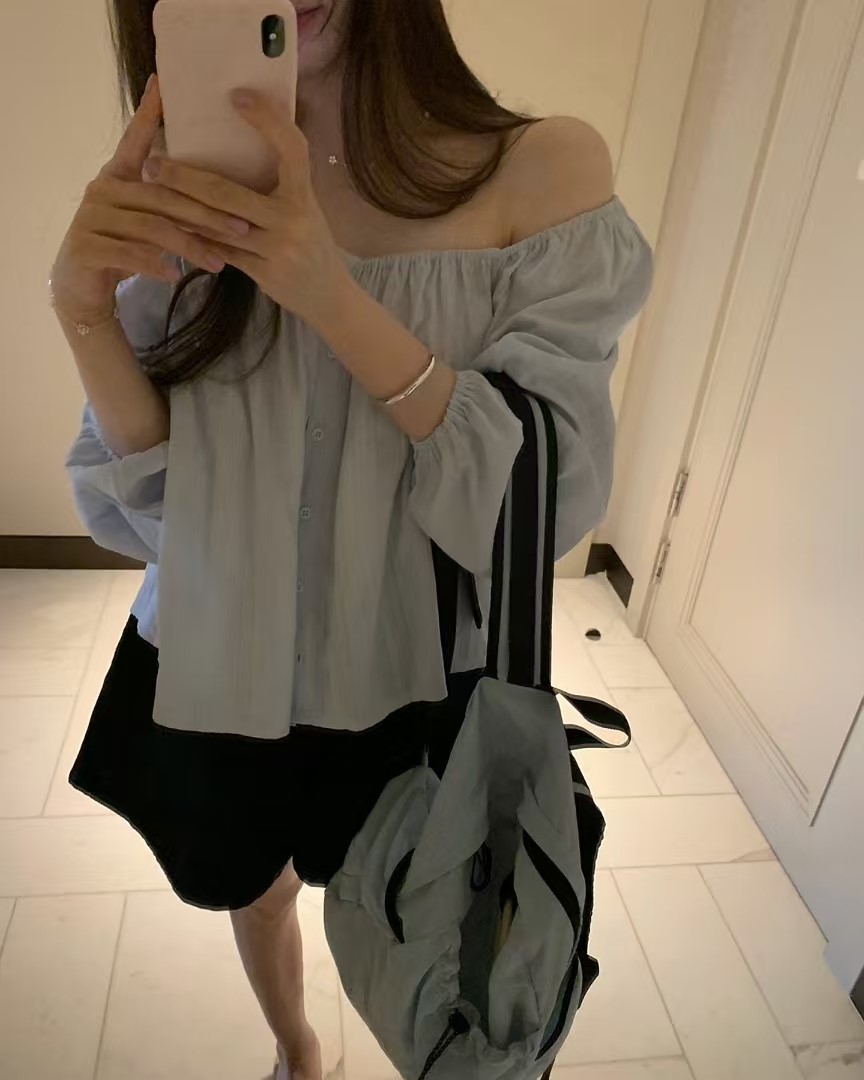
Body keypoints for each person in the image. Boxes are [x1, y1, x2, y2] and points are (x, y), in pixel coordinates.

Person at [51, 1, 652, 1077]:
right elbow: (163, 515)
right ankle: (297, 1046)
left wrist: (331, 296)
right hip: (220, 664)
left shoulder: (541, 175)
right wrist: (83, 309)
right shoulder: (189, 186)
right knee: (255, 889)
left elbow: (540, 507)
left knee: (419, 908)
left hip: (410, 671)